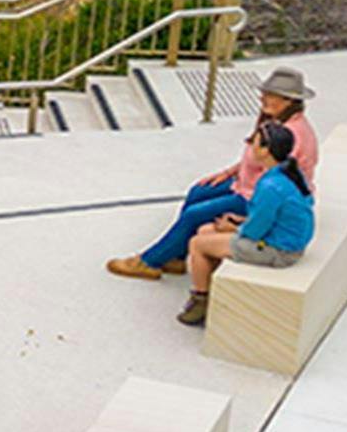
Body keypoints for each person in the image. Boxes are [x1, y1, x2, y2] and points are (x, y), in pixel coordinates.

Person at [106, 67, 318, 282]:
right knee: (198, 192)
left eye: (270, 95)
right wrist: (228, 173)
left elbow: (272, 185)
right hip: (246, 185)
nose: (262, 97)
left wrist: (238, 221)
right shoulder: (278, 122)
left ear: (289, 100)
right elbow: (260, 158)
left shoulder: (293, 134)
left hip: (258, 196)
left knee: (195, 214)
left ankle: (149, 262)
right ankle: (176, 255)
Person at [176, 121, 315, 325]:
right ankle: (210, 287)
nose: (250, 147)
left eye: (254, 143)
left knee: (197, 244)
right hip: (284, 238)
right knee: (205, 230)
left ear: (266, 151)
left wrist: (233, 227)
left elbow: (254, 232)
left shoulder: (270, 185)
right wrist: (239, 220)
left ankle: (200, 300)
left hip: (279, 250)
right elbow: (270, 216)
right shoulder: (289, 173)